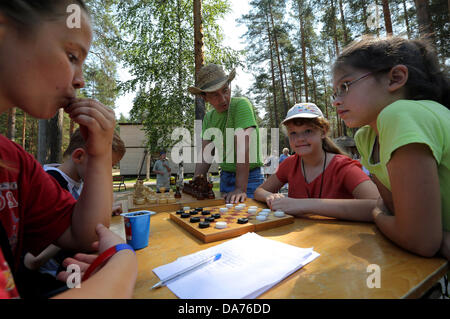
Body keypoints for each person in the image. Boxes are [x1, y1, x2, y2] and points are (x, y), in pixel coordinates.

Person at [0, 0, 137, 298]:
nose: (81, 80)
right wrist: (123, 262)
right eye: (72, 55)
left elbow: (85, 234)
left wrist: (100, 154)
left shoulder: (14, 162)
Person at [331, 36, 450, 260]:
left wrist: (376, 214)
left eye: (345, 86)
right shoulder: (367, 136)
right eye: (335, 92)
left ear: (395, 78)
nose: (336, 101)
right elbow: (393, 211)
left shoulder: (402, 114)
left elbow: (420, 240)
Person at [19, 128, 127, 297]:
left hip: (75, 267)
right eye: (105, 167)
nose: (107, 175)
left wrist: (98, 213)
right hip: (54, 281)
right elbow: (32, 260)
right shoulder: (50, 185)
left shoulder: (79, 182)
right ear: (79, 156)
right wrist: (79, 225)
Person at [254, 103, 380, 221]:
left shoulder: (343, 166)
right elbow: (259, 191)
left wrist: (303, 205)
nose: (300, 139)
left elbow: (378, 206)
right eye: (293, 133)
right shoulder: (290, 164)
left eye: (308, 131)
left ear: (323, 132)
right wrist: (269, 196)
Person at [188, 64, 264, 203]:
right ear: (205, 98)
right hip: (225, 177)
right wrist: (195, 182)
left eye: (225, 90)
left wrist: (240, 188)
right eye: (214, 95)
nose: (223, 99)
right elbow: (206, 155)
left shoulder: (241, 105)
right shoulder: (209, 118)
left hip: (249, 178)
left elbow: (242, 147)